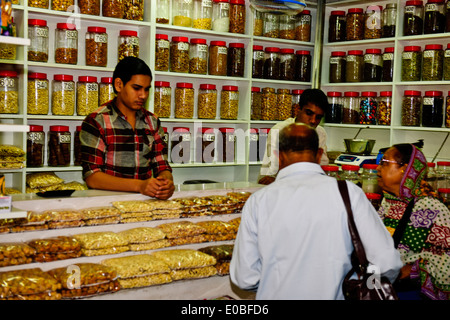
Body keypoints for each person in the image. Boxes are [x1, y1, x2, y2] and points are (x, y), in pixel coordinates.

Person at [230, 123, 402, 300]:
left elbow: (245, 278)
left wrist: (272, 282)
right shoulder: (349, 193)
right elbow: (387, 262)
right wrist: (364, 286)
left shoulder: (258, 201)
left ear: (279, 156)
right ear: (319, 155)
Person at [80, 57, 174, 200]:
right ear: (119, 85)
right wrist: (139, 186)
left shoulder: (152, 121)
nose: (143, 95)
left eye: (147, 89)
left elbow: (162, 165)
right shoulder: (97, 121)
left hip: (145, 202)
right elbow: (92, 177)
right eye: (136, 88)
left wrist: (166, 182)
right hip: (106, 204)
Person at [377, 143, 450, 300]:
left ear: (406, 168)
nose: (378, 168)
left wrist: (411, 269)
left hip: (410, 293)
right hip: (382, 286)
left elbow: (446, 261)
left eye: (384, 162)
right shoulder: (387, 202)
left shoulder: (431, 207)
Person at [257, 88, 329, 185]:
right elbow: (270, 171)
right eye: (309, 113)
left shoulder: (320, 133)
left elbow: (323, 167)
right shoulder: (279, 130)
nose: (313, 120)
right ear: (298, 109)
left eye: (318, 117)